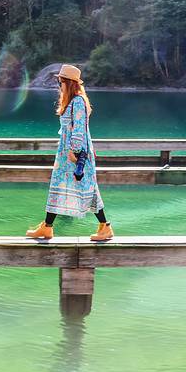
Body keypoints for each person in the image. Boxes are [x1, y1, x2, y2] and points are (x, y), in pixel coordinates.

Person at [26, 64, 113, 241]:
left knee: (88, 190)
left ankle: (105, 227)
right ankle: (47, 227)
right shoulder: (72, 102)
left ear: (69, 83)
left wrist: (74, 152)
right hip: (66, 154)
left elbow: (79, 130)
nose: (59, 86)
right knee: (59, 188)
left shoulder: (78, 102)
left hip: (75, 155)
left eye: (60, 82)